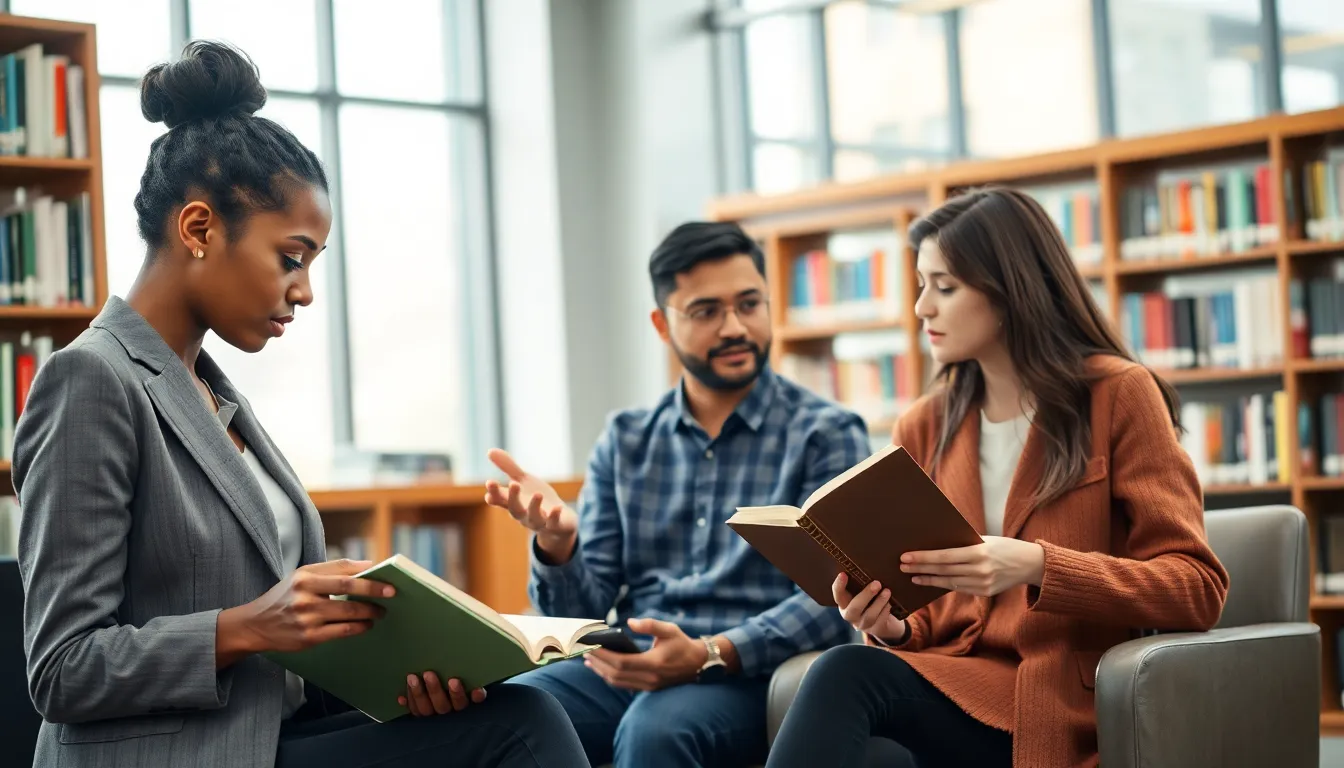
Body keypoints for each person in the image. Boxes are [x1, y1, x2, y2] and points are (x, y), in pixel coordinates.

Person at [12, 41, 586, 768]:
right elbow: (61, 668)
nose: (305, 291)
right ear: (198, 229)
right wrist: (247, 626)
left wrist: (405, 675)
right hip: (182, 755)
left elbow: (285, 653)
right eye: (291, 257)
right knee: (521, 731)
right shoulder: (91, 381)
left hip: (269, 737)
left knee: (520, 709)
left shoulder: (216, 395)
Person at [763, 187, 1232, 768]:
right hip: (957, 687)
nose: (921, 309)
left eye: (945, 287)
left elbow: (1196, 588)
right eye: (919, 285)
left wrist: (1038, 564)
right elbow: (931, 620)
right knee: (851, 687)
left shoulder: (1117, 395)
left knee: (842, 680)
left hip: (1059, 698)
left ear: (1010, 291)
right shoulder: (925, 425)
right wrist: (890, 627)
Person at [483, 221, 872, 767]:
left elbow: (837, 598)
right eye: (707, 311)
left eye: (749, 304)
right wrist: (559, 542)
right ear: (663, 325)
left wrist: (712, 653)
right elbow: (578, 612)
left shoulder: (826, 434)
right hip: (628, 665)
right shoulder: (626, 439)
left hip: (749, 673)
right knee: (503, 711)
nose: (735, 326)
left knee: (657, 732)